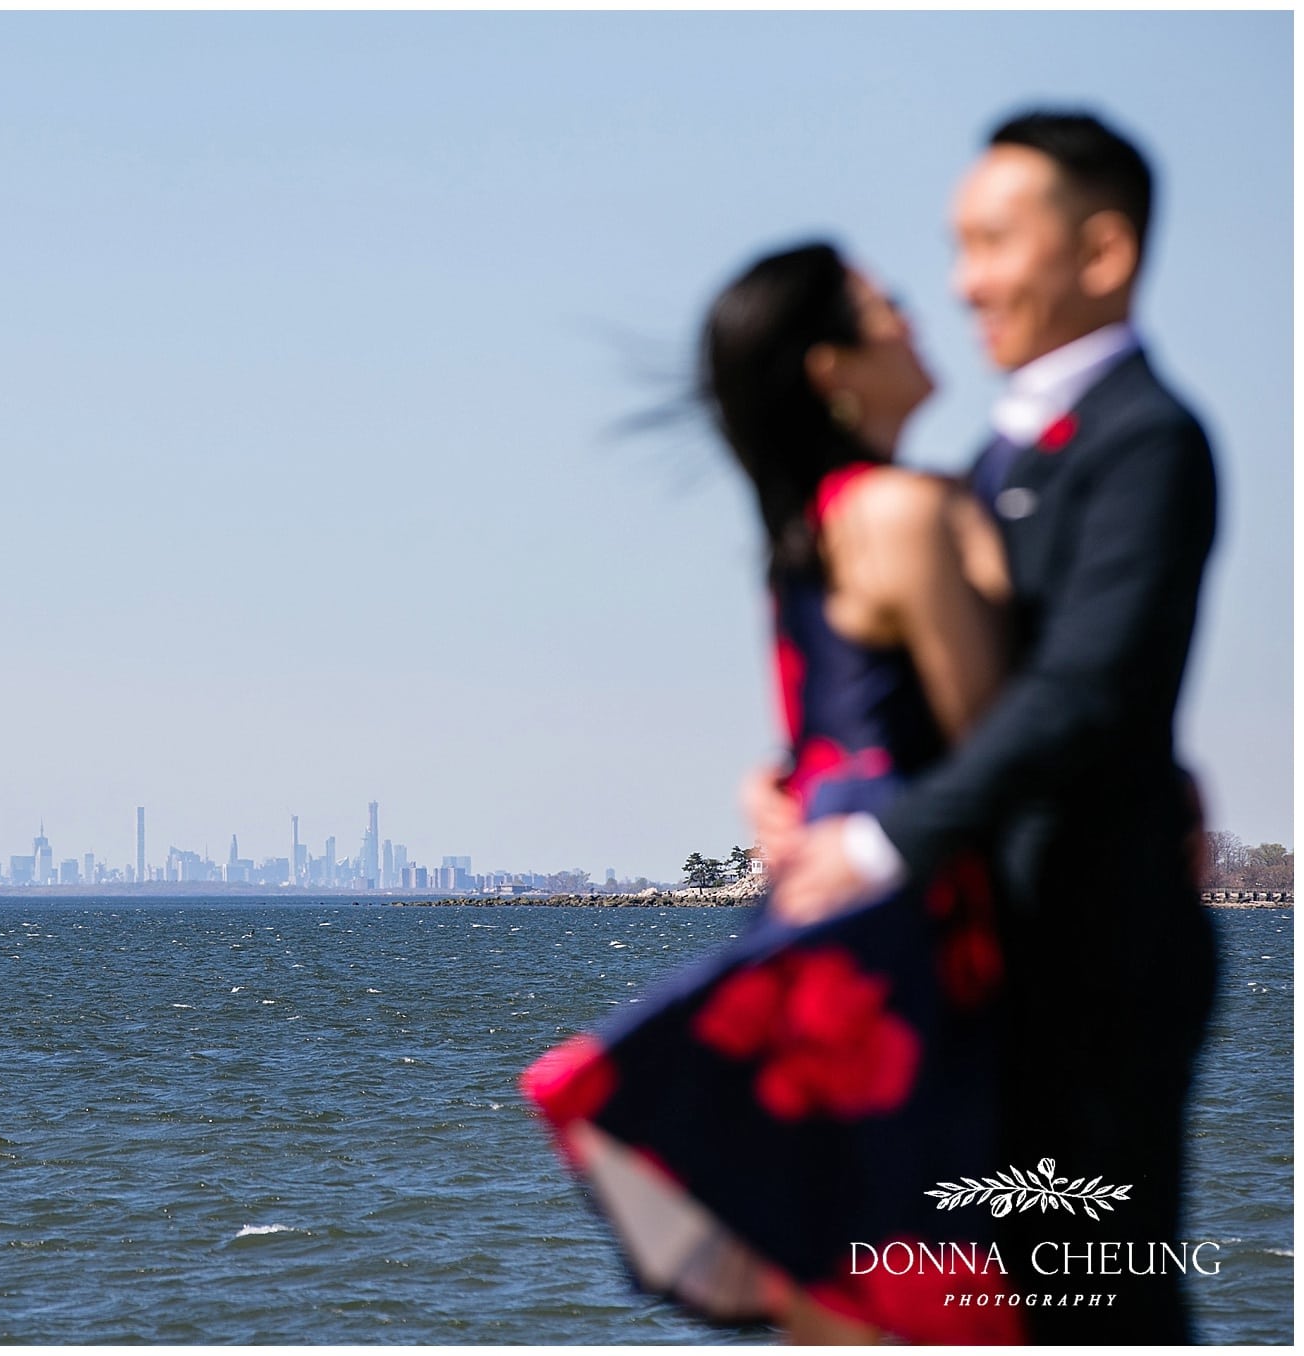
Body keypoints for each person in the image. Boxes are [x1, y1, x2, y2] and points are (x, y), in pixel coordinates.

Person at [765, 110, 1220, 1343]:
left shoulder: (1146, 442)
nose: (963, 282)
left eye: (990, 242)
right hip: (993, 959)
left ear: (1102, 252)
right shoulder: (990, 460)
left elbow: (1081, 691)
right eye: (956, 246)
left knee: (1094, 1306)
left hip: (1092, 956)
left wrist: (879, 845)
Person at [522, 241, 1024, 1344]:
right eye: (884, 306)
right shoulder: (903, 512)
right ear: (828, 369)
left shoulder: (806, 530)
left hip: (817, 920)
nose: (918, 316)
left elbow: (831, 728)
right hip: (908, 926)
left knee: (845, 1279)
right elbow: (996, 743)